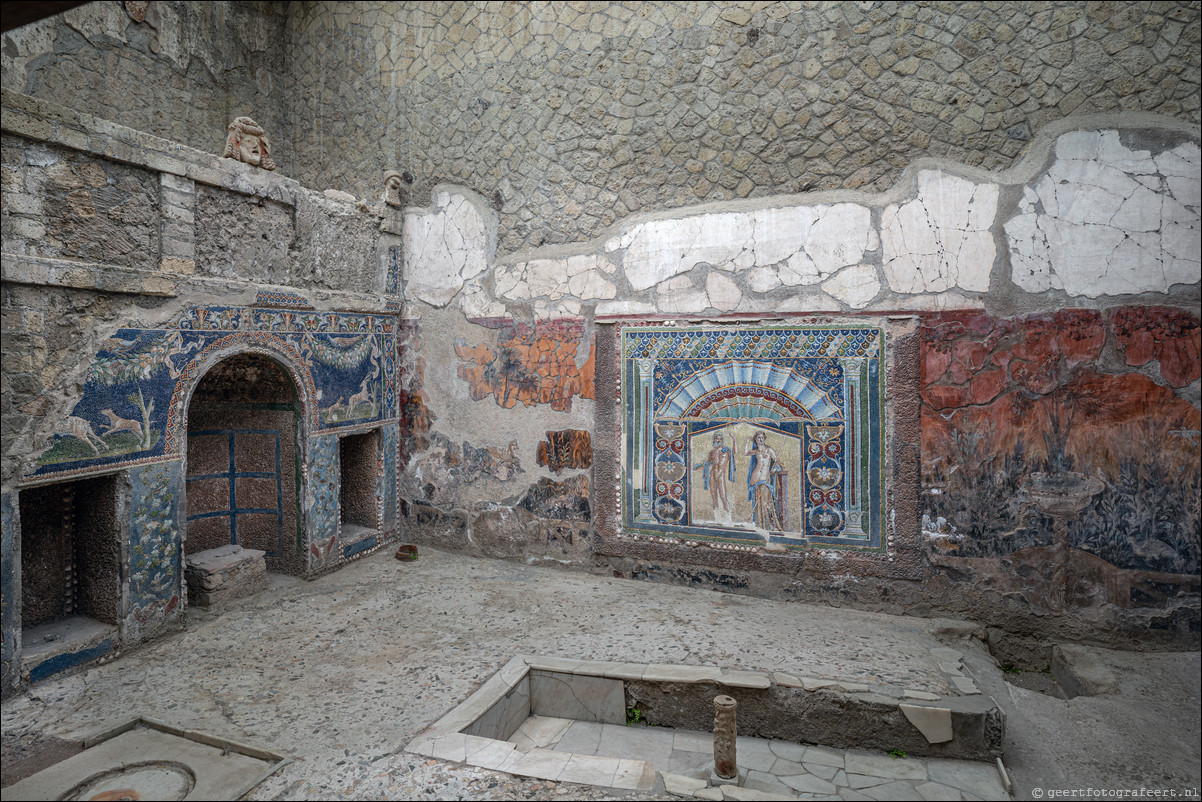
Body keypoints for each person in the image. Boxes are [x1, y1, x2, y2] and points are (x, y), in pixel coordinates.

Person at [744, 431, 784, 531]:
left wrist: (775, 469)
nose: (761, 439)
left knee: (766, 502)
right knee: (758, 502)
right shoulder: (756, 451)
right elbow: (745, 453)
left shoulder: (769, 450)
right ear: (755, 440)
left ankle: (768, 524)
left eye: (762, 437)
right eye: (758, 438)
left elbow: (777, 461)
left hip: (765, 478)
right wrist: (747, 441)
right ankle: (759, 523)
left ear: (764, 438)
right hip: (755, 477)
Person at [693, 431, 735, 521]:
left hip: (720, 474)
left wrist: (734, 439)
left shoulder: (726, 450)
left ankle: (728, 517)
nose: (718, 440)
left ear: (722, 440)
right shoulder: (712, 452)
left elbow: (734, 452)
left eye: (720, 439)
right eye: (717, 439)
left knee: (723, 497)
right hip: (712, 474)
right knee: (714, 497)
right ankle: (717, 517)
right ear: (713, 440)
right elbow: (707, 465)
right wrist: (696, 468)